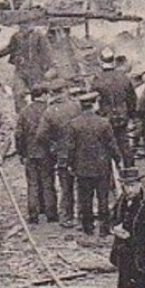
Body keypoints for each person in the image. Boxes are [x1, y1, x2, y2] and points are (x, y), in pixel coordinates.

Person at [69, 90, 119, 236]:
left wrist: (71, 165)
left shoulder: (74, 124)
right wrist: (117, 159)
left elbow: (71, 148)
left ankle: (88, 228)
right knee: (103, 197)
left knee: (85, 199)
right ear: (94, 104)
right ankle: (104, 228)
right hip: (102, 166)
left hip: (82, 168)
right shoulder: (103, 123)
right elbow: (112, 145)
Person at [14, 85, 56, 223]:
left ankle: (33, 215)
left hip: (30, 153)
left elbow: (18, 134)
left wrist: (21, 152)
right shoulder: (49, 110)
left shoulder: (24, 112)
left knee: (32, 184)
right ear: (43, 95)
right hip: (46, 153)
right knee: (48, 182)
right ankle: (51, 214)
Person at [91, 47, 140, 166]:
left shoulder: (97, 80)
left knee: (105, 147)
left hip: (105, 119)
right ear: (113, 61)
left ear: (100, 61)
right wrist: (132, 116)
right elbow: (132, 99)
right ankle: (130, 171)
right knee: (124, 144)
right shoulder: (123, 78)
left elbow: (93, 102)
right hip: (122, 117)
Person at [43, 82, 82, 229]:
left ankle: (66, 217)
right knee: (82, 186)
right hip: (78, 151)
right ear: (64, 91)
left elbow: (42, 134)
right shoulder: (76, 106)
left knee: (66, 187)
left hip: (62, 153)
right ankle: (82, 216)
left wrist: (53, 145)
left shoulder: (49, 111)